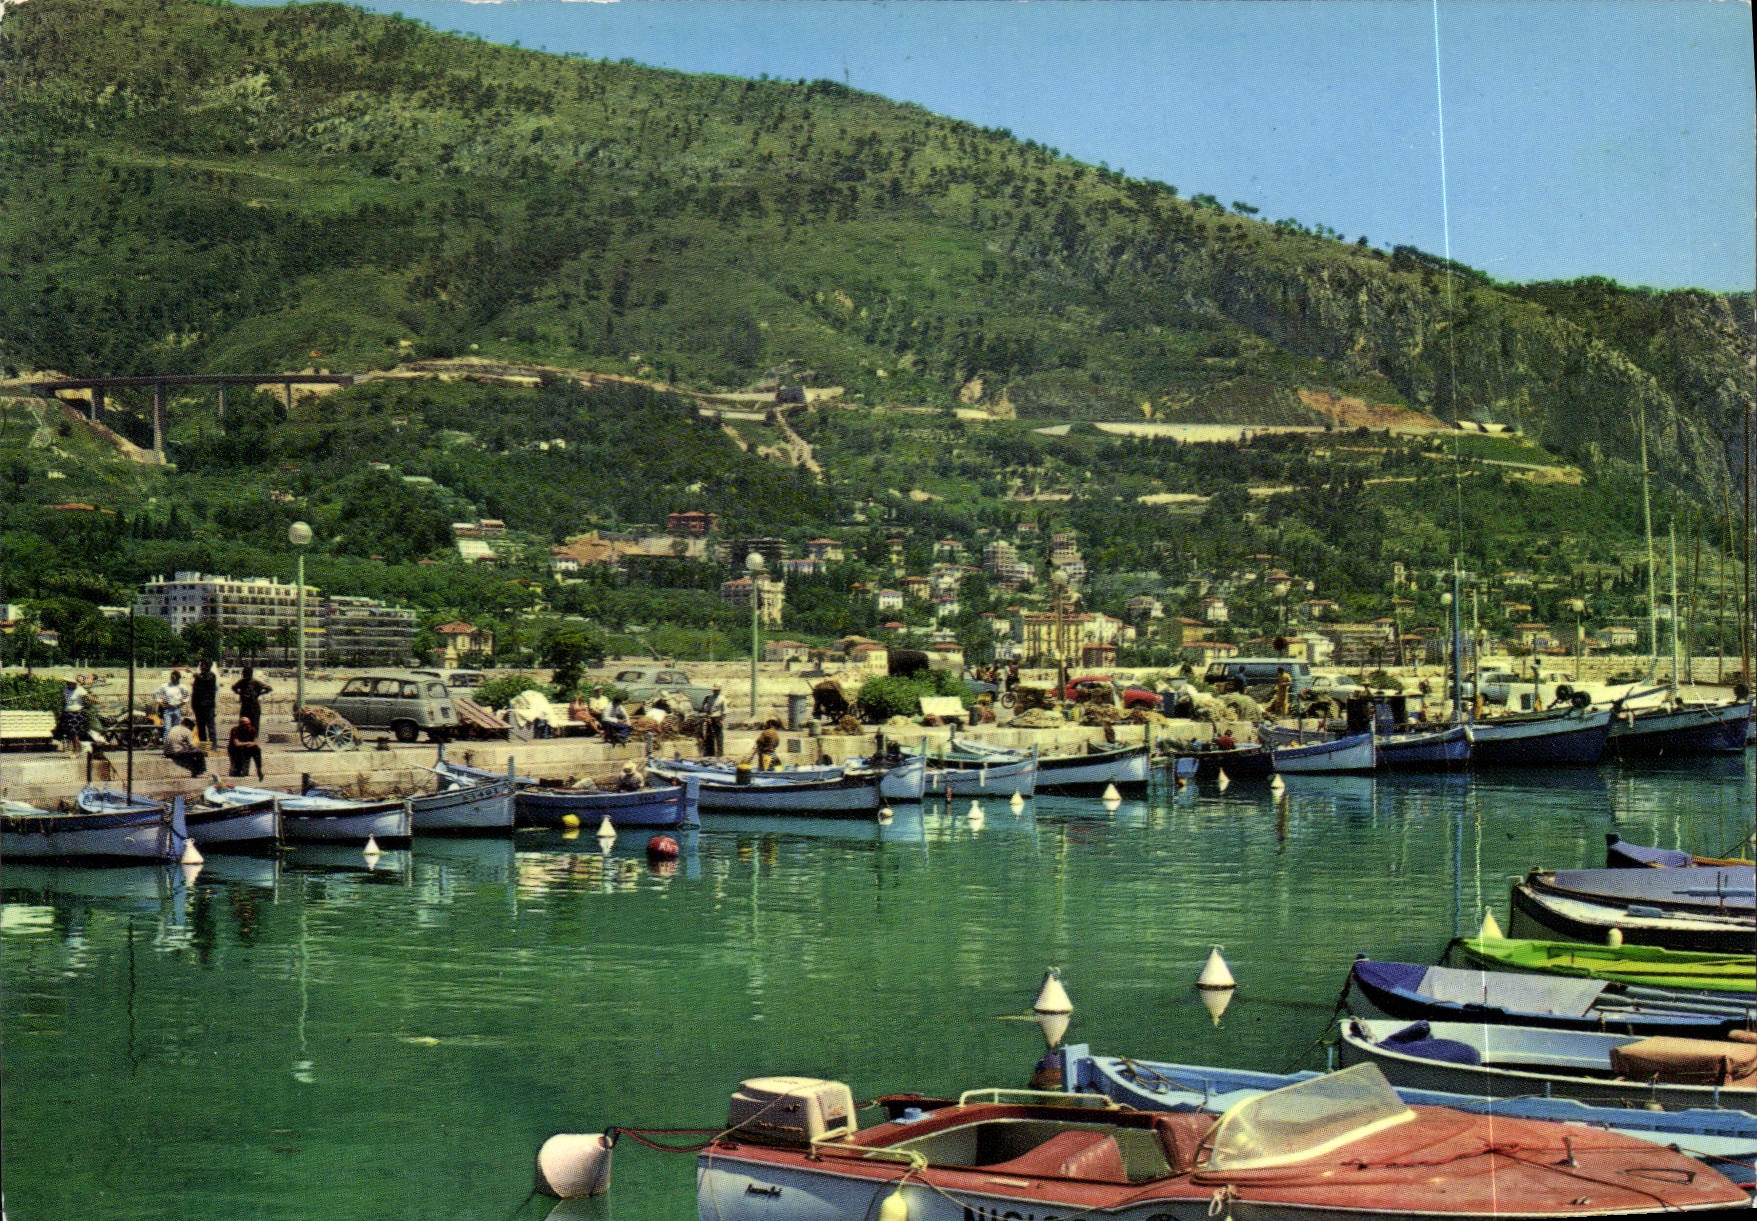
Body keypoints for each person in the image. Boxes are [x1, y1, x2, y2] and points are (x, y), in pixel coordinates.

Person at [191, 659, 219, 746]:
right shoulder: (199, 677)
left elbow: (205, 680)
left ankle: (213, 745)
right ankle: (204, 746)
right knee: (201, 727)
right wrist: (193, 705)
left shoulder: (211, 676)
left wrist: (196, 675)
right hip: (198, 706)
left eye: (204, 665)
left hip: (208, 706)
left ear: (208, 666)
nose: (202, 667)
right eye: (201, 665)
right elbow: (195, 691)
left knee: (210, 727)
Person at [59, 673, 90, 751]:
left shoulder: (79, 689)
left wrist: (100, 702)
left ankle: (76, 749)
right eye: (67, 682)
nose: (68, 684)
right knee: (70, 732)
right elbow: (64, 700)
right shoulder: (65, 689)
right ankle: (79, 746)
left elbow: (89, 697)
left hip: (76, 713)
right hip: (68, 713)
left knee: (73, 731)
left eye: (69, 682)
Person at [698, 685, 726, 757]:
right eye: (714, 690)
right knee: (709, 736)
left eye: (717, 690)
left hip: (718, 718)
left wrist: (721, 720)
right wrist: (707, 717)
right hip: (710, 718)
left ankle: (720, 754)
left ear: (719, 690)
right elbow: (706, 708)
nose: (715, 691)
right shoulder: (709, 698)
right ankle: (710, 753)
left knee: (719, 736)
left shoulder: (722, 699)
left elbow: (724, 711)